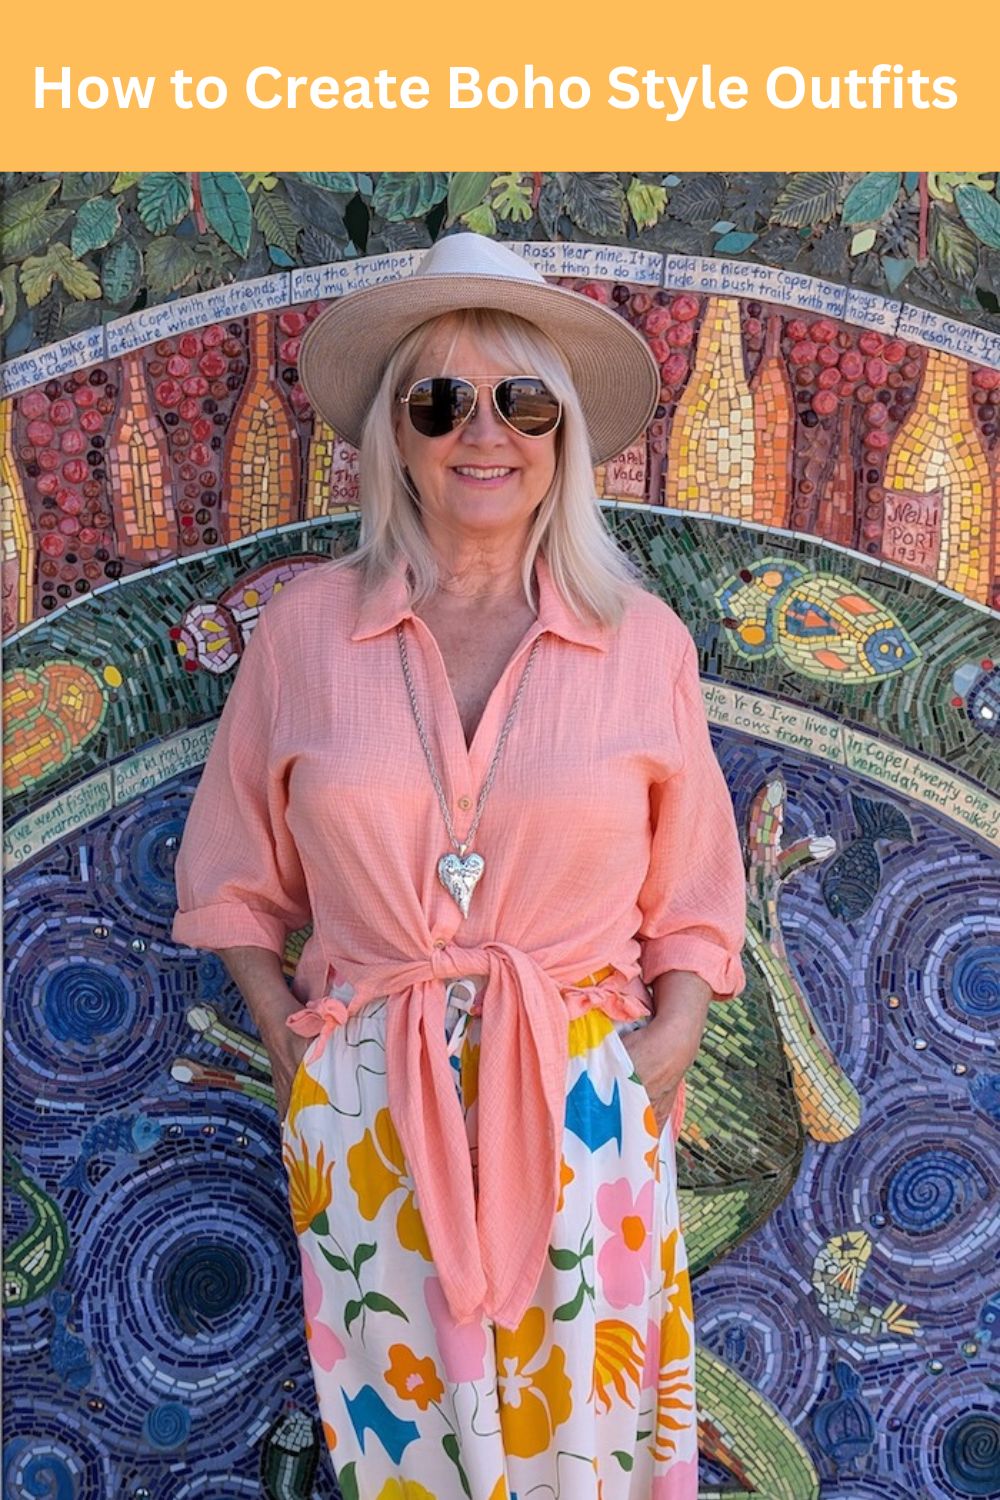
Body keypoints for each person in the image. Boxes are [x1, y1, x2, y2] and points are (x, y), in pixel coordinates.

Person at [171, 231, 747, 1500]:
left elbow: (697, 888)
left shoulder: (636, 639)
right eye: (439, 400)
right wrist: (294, 1043)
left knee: (589, 1447)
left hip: (584, 1099)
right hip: (371, 1107)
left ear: (560, 436)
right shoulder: (308, 630)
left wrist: (666, 1046)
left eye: (520, 400)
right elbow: (229, 867)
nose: (481, 433)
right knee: (409, 1456)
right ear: (396, 433)